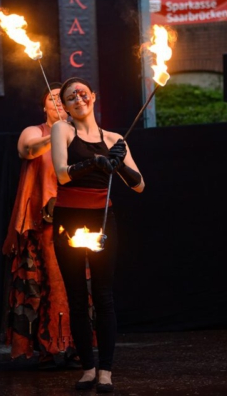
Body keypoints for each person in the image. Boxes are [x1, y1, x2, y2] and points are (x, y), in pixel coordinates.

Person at [51, 77, 145, 393]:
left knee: (103, 295)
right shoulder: (62, 130)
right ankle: (88, 369)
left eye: (82, 93)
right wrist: (94, 161)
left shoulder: (116, 138)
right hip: (68, 221)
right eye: (70, 97)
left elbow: (140, 185)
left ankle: (105, 372)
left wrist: (118, 164)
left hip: (103, 219)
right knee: (78, 297)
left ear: (94, 97)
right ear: (64, 106)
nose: (78, 98)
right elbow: (62, 174)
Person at [1, 82, 81, 369]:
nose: (59, 102)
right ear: (44, 106)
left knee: (78, 283)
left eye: (64, 98)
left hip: (76, 220)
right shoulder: (36, 132)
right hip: (42, 223)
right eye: (53, 98)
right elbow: (28, 150)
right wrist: (58, 134)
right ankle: (48, 347)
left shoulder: (79, 134)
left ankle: (75, 346)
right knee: (47, 283)